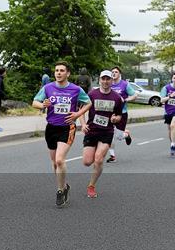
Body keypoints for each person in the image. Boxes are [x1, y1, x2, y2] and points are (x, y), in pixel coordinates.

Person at [32, 61, 92, 208]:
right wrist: (43, 105)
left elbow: (88, 103)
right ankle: (64, 186)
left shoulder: (76, 89)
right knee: (54, 163)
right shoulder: (48, 87)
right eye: (56, 70)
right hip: (51, 128)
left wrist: (77, 114)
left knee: (59, 160)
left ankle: (60, 191)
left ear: (68, 73)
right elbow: (35, 102)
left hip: (67, 128)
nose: (58, 73)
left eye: (62, 70)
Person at [80, 70, 123, 198]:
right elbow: (81, 110)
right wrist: (82, 124)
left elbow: (120, 115)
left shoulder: (116, 98)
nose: (105, 81)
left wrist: (116, 119)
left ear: (111, 81)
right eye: (103, 79)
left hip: (107, 132)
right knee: (87, 162)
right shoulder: (92, 94)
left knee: (98, 159)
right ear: (99, 80)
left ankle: (91, 186)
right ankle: (96, 164)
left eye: (108, 79)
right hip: (92, 130)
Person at [106, 66, 137, 163]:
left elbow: (134, 95)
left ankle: (126, 134)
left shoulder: (124, 84)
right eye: (112, 72)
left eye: (116, 72)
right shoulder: (109, 84)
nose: (114, 73)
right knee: (110, 134)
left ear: (119, 74)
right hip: (110, 113)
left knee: (119, 136)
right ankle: (112, 156)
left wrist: (126, 99)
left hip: (122, 113)